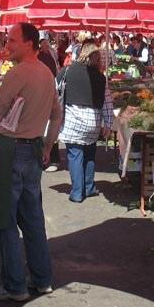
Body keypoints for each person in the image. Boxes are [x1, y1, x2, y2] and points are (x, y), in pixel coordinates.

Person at [0, 22, 63, 302]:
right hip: (35, 149)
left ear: (29, 43)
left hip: (10, 149)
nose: (8, 46)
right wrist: (48, 145)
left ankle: (15, 285)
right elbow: (56, 115)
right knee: (33, 218)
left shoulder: (17, 73)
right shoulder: (48, 73)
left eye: (12, 41)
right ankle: (42, 278)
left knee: (4, 220)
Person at [56, 44, 113, 203]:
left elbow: (55, 91)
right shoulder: (101, 78)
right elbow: (107, 102)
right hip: (93, 122)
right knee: (89, 155)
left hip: (73, 121)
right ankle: (89, 188)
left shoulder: (67, 71)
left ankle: (77, 192)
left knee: (75, 156)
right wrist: (108, 124)